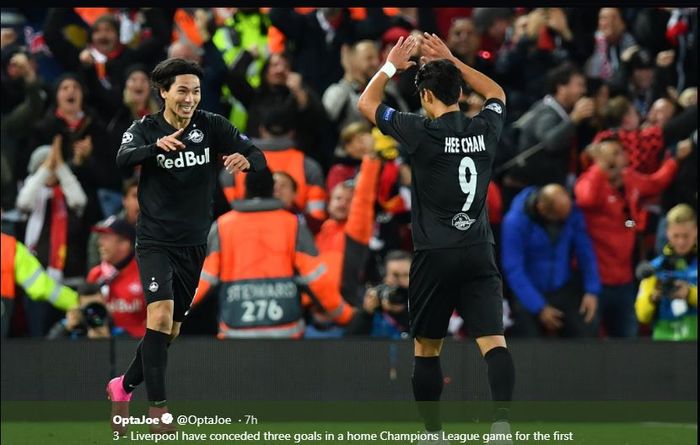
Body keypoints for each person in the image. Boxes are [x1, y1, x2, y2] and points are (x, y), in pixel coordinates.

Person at [358, 33, 514, 441]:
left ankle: (433, 432)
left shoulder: (420, 131)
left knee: (427, 349)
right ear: (460, 92)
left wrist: (391, 64)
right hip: (479, 249)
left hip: (434, 253)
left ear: (426, 97)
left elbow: (367, 104)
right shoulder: (486, 125)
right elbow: (496, 91)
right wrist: (452, 59)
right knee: (493, 342)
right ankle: (501, 423)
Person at [106, 58, 266, 435]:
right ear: (163, 92)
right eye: (182, 90)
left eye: (195, 90)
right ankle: (159, 412)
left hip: (194, 243)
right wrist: (153, 149)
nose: (190, 98)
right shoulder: (145, 128)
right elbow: (121, 159)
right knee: (159, 317)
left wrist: (247, 159)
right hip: (155, 240)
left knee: (169, 332)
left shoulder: (211, 125)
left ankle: (123, 386)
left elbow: (257, 155)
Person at [191, 167, 353, 338]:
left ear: (244, 189)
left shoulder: (223, 225)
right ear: (271, 190)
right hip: (286, 333)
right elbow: (316, 279)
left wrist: (169, 312)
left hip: (236, 333)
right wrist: (347, 315)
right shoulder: (293, 225)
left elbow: (203, 279)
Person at [575, 136, 689, 337]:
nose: (614, 160)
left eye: (618, 154)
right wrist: (599, 169)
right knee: (591, 344)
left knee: (628, 342)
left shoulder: (629, 179)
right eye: (608, 156)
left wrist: (675, 160)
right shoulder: (589, 181)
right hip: (595, 280)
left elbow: (655, 183)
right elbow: (587, 199)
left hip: (625, 279)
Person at [501, 184, 600, 338]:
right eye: (559, 217)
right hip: (529, 290)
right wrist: (539, 307)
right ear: (542, 209)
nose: (565, 220)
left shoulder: (571, 212)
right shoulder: (514, 221)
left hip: (562, 285)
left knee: (586, 325)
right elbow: (514, 270)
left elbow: (585, 252)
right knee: (527, 336)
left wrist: (591, 290)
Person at [635, 204, 697, 341]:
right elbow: (642, 315)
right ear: (668, 232)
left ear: (695, 231)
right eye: (676, 236)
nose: (681, 242)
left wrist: (690, 293)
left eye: (686, 236)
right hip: (664, 346)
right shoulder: (654, 268)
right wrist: (652, 298)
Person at [1, 231, 79, 337]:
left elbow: (43, 287)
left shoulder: (10, 247)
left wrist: (78, 302)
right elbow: (42, 287)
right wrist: (79, 303)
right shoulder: (8, 247)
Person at [87, 216, 145, 338]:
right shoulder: (95, 275)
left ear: (124, 244)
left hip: (137, 348)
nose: (99, 243)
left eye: (106, 238)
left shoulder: (145, 273)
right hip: (102, 348)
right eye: (100, 238)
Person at [345, 250, 412, 338]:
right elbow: (350, 343)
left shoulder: (421, 301)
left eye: (405, 275)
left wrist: (402, 313)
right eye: (395, 275)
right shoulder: (375, 299)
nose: (400, 280)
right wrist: (366, 312)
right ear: (385, 276)